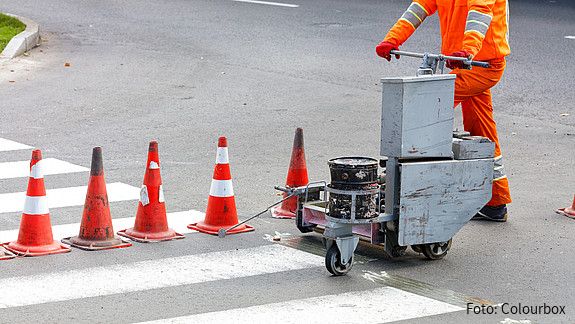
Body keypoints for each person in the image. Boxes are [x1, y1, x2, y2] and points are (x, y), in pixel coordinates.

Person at [376, 0, 511, 221]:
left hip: (481, 63)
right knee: (481, 129)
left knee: (424, 112)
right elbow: (420, 7)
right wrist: (393, 38)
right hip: (461, 61)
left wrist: (468, 49)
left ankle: (402, 186)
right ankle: (495, 202)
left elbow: (481, 12)